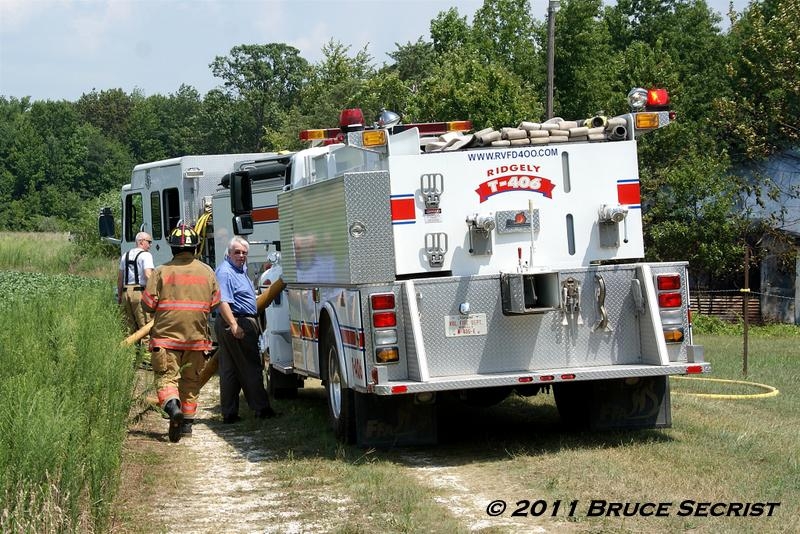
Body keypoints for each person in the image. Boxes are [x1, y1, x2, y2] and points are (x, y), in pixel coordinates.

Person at [141, 225, 220, 443]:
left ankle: (172, 407)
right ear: (195, 247)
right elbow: (214, 303)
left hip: (165, 340)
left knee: (167, 379)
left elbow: (147, 305)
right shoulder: (208, 272)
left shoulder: (161, 272)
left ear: (173, 248)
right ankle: (186, 425)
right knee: (190, 382)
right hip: (196, 340)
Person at [214, 236, 277, 424]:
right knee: (250, 366)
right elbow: (222, 300)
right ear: (229, 253)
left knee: (230, 369)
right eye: (237, 252)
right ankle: (262, 408)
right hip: (236, 321)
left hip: (235, 321)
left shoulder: (239, 270)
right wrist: (234, 325)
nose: (241, 256)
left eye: (244, 253)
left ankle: (230, 413)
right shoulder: (225, 272)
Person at [117, 232, 155, 352]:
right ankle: (146, 357)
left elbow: (120, 278)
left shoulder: (125, 255)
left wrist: (119, 296)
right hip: (139, 293)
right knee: (144, 326)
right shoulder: (146, 256)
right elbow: (148, 275)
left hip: (125, 292)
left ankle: (130, 355)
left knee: (129, 326)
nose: (150, 245)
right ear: (141, 241)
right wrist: (158, 290)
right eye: (149, 242)